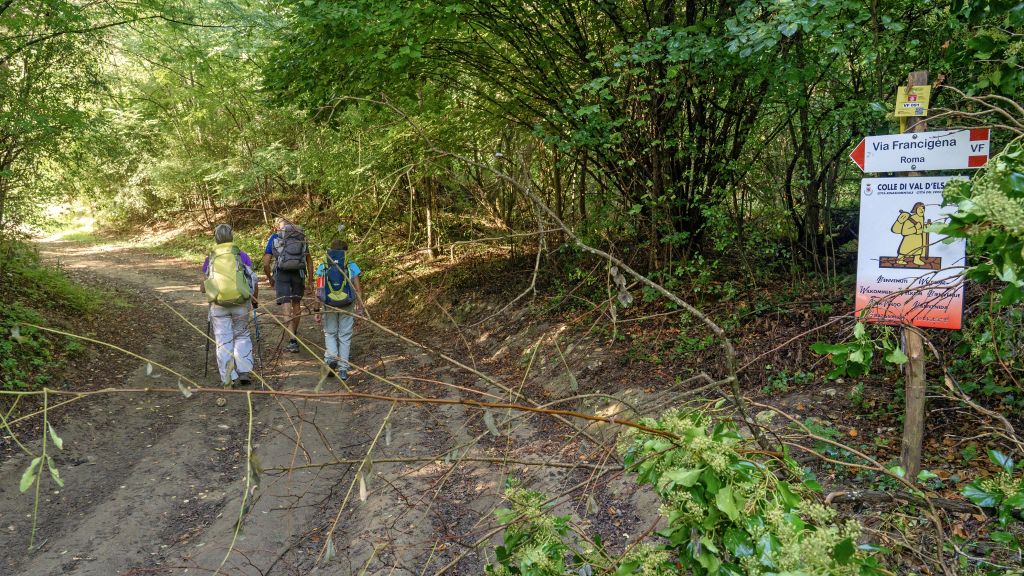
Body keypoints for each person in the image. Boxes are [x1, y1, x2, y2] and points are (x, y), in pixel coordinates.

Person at [201, 224, 258, 386]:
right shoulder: (241, 256)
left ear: (216, 238)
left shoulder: (211, 258)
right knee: (242, 334)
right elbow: (252, 279)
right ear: (232, 237)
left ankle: (228, 377)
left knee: (223, 340)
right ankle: (244, 370)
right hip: (241, 302)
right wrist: (254, 300)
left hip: (218, 304)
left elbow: (203, 285)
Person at [313, 238, 364, 381]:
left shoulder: (323, 265)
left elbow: (319, 290)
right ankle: (343, 369)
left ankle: (331, 360)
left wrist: (317, 310)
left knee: (330, 333)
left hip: (329, 303)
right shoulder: (351, 265)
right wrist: (360, 308)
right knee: (345, 336)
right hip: (347, 303)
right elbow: (358, 289)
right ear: (345, 252)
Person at [262, 217, 314, 353]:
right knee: (296, 304)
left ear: (277, 227)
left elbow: (266, 263)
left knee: (286, 306)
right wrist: (310, 282)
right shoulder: (299, 236)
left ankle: (292, 340)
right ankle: (294, 334)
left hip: (282, 274)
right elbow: (309, 260)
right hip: (299, 273)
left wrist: (270, 278)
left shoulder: (274, 238)